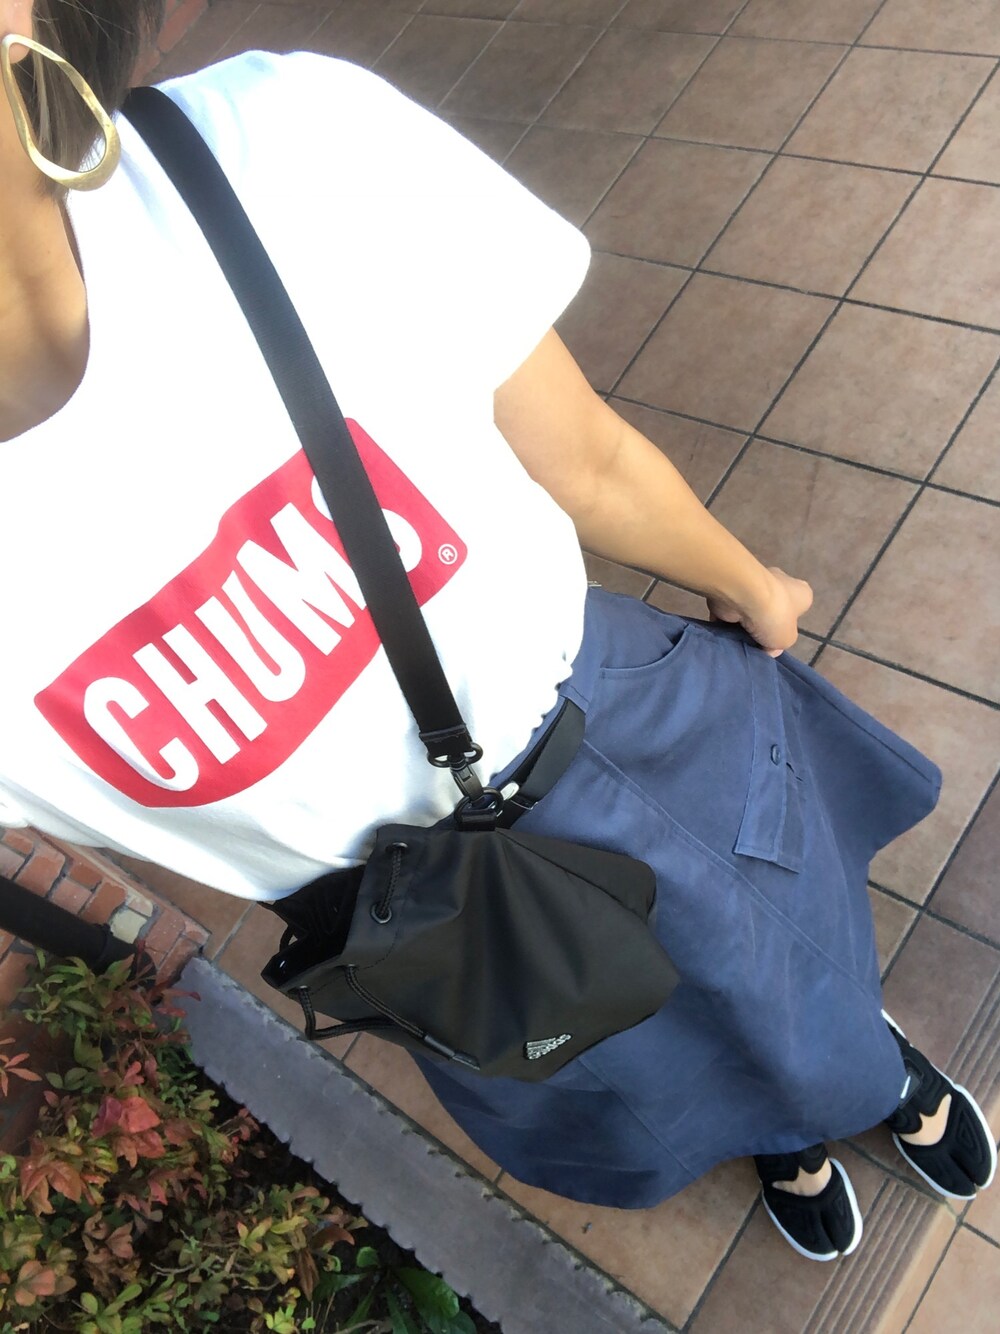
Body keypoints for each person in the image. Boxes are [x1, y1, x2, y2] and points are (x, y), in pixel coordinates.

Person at [0, 0, 994, 1265]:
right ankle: (783, 1128)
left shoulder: (279, 145)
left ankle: (871, 1072)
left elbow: (586, 459)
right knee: (643, 1051)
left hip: (605, 736)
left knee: (781, 947)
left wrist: (753, 585)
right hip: (404, 923)